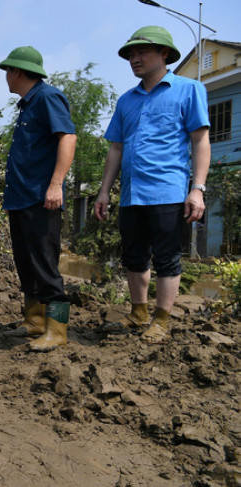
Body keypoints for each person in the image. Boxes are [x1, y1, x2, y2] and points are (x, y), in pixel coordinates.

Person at [94, 26, 210, 344]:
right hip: (132, 193)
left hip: (169, 190)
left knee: (167, 257)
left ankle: (161, 319)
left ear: (164, 54)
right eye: (131, 54)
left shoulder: (189, 89)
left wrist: (197, 189)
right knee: (133, 255)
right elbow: (116, 148)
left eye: (141, 52)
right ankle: (139, 312)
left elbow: (200, 140)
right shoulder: (126, 101)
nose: (135, 59)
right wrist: (104, 190)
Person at [0, 47, 77, 352]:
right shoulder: (26, 106)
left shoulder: (47, 97)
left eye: (8, 71)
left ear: (17, 71)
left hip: (41, 198)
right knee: (25, 263)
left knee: (44, 263)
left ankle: (57, 329)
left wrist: (56, 185)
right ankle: (34, 320)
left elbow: (67, 138)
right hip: (20, 199)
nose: (6, 77)